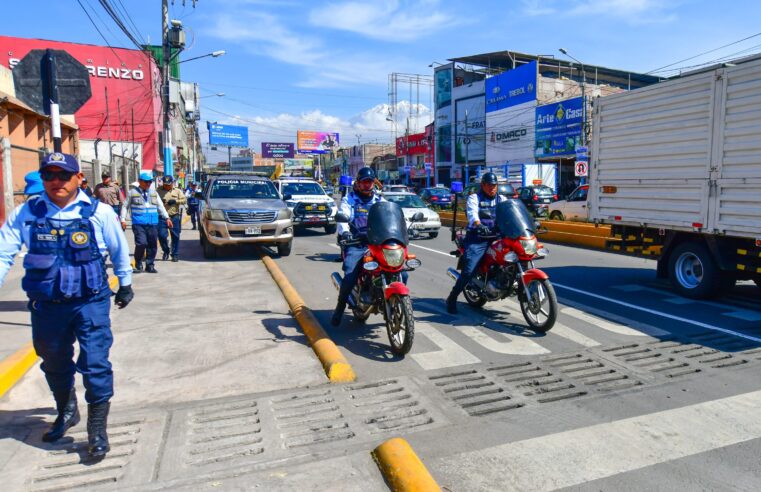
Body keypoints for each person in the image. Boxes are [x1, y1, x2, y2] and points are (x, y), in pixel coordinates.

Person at [0, 152, 134, 459]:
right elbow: (3, 251)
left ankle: (97, 429)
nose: (56, 181)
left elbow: (118, 249)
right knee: (54, 360)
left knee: (96, 364)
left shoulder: (98, 212)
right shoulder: (27, 214)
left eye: (63, 175)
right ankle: (66, 410)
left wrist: (125, 284)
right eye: (49, 175)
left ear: (78, 178)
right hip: (47, 305)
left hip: (90, 301)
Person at [446, 172, 510, 314]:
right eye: (489, 185)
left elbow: (511, 212)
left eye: (494, 185)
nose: (492, 188)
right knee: (469, 270)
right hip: (478, 238)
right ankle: (452, 298)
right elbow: (472, 213)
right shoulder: (474, 198)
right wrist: (478, 224)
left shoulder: (502, 199)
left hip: (497, 236)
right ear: (483, 185)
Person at [331, 167, 384, 326]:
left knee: (401, 271)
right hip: (357, 243)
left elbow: (392, 214)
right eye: (364, 182)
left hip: (377, 243)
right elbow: (343, 218)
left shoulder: (379, 200)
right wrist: (345, 233)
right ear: (359, 183)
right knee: (350, 276)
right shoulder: (350, 199)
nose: (368, 185)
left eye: (370, 182)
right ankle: (340, 308)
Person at [120, 171, 171, 273]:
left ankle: (150, 265)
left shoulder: (154, 193)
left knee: (152, 245)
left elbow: (160, 206)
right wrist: (123, 219)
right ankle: (138, 262)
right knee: (141, 243)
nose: (148, 184)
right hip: (139, 223)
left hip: (152, 223)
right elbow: (125, 206)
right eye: (146, 182)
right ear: (139, 181)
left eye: (150, 182)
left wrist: (167, 218)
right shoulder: (132, 193)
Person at [157, 176, 186, 262]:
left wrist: (175, 201)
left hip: (174, 216)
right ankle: (166, 251)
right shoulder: (158, 191)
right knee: (161, 236)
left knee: (175, 236)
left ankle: (175, 254)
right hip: (162, 217)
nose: (167, 186)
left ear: (172, 183)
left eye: (168, 185)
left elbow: (184, 200)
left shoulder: (177, 191)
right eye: (165, 184)